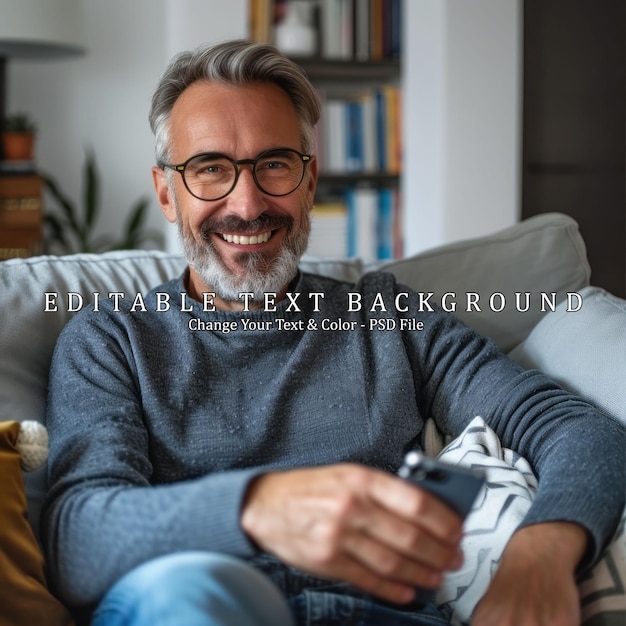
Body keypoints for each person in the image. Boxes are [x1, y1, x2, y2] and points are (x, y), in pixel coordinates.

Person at [42, 39, 625, 626]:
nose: (247, 204)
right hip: (196, 607)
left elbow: (577, 429)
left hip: (382, 615)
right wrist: (256, 508)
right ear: (168, 192)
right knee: (185, 594)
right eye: (210, 169)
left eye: (274, 164)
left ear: (309, 180)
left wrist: (540, 553)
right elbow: (78, 537)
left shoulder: (389, 320)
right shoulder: (111, 339)